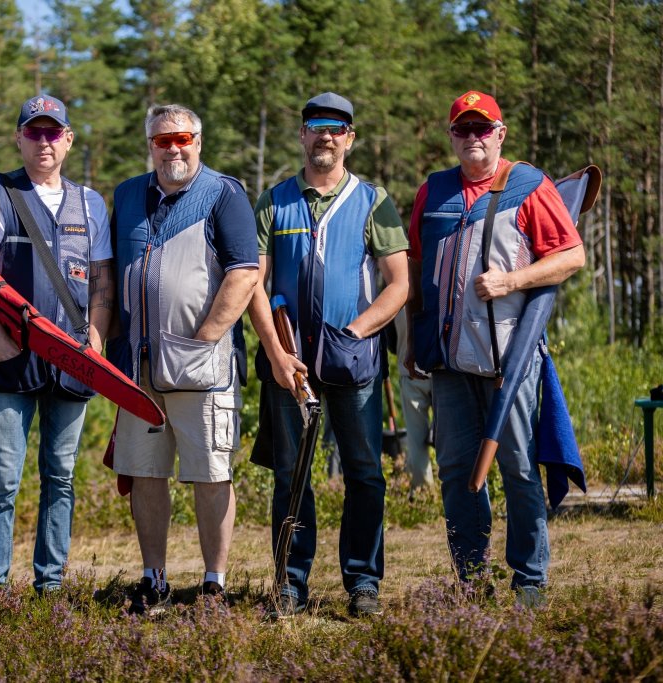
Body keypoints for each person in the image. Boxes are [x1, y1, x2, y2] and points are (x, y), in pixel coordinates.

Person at [405, 91, 585, 606]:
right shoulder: (433, 191)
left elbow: (571, 255)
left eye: (482, 128)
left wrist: (512, 281)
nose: (473, 138)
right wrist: (417, 334)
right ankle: (471, 580)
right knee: (458, 471)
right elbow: (418, 269)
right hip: (449, 361)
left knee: (521, 470)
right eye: (463, 129)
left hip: (511, 358)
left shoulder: (529, 186)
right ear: (452, 137)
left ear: (500, 133)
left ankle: (530, 579)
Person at [248, 93, 409, 618]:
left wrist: (356, 333)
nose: (326, 136)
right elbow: (254, 281)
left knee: (365, 473)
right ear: (301, 134)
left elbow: (398, 284)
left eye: (336, 128)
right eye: (316, 126)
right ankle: (290, 585)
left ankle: (363, 584)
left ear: (350, 138)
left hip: (354, 365)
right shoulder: (275, 201)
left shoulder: (373, 200)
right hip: (289, 366)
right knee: (291, 474)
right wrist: (275, 352)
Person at [0, 94, 113, 594]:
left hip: (71, 362)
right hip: (12, 360)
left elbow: (102, 283)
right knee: (2, 482)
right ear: (19, 137)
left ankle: (50, 587)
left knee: (60, 477)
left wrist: (97, 340)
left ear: (68, 140)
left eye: (53, 132)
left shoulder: (90, 202)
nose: (44, 141)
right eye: (34, 132)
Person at [110, 104, 258, 613]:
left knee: (210, 473)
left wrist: (203, 338)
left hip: (204, 366)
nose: (173, 148)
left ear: (198, 140)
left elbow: (244, 272)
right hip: (138, 367)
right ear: (149, 145)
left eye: (182, 139)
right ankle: (154, 579)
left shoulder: (225, 193)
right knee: (146, 472)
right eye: (161, 140)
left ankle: (214, 584)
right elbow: (111, 277)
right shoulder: (128, 194)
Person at [393, 307, 435, 492]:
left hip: (408, 368)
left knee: (415, 437)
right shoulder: (436, 287)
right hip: (441, 370)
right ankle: (453, 487)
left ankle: (422, 490)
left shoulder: (399, 298)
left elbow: (389, 338)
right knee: (450, 435)